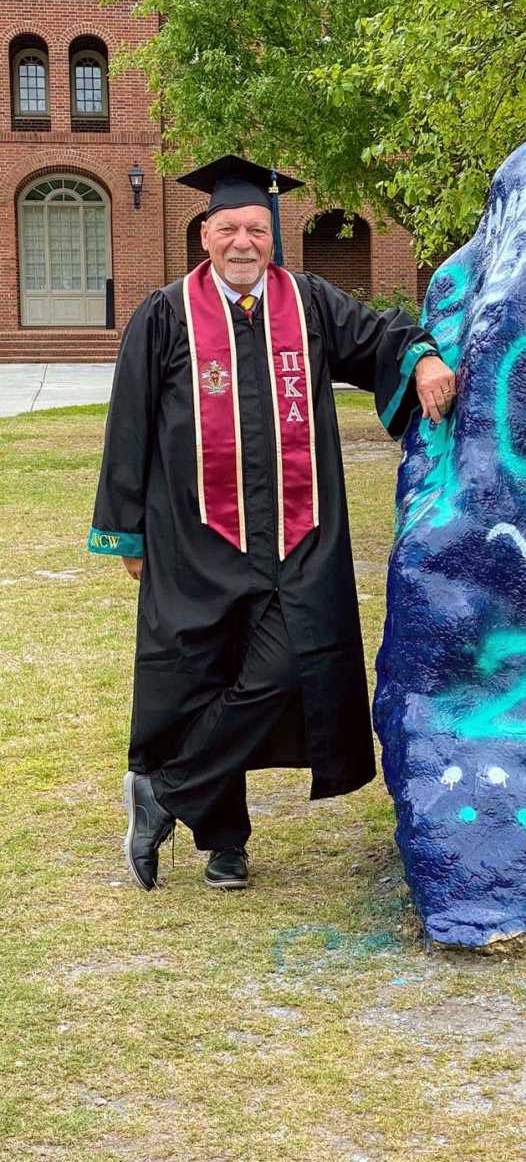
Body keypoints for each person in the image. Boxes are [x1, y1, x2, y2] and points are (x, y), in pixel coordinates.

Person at [88, 156, 455, 891]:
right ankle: (225, 843)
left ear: (271, 234)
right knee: (203, 677)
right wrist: (124, 532)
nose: (243, 240)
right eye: (229, 228)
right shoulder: (165, 314)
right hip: (196, 536)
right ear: (206, 235)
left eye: (256, 227)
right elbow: (127, 424)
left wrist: (420, 360)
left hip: (298, 533)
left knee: (290, 664)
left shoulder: (308, 302)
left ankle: (166, 790)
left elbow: (377, 336)